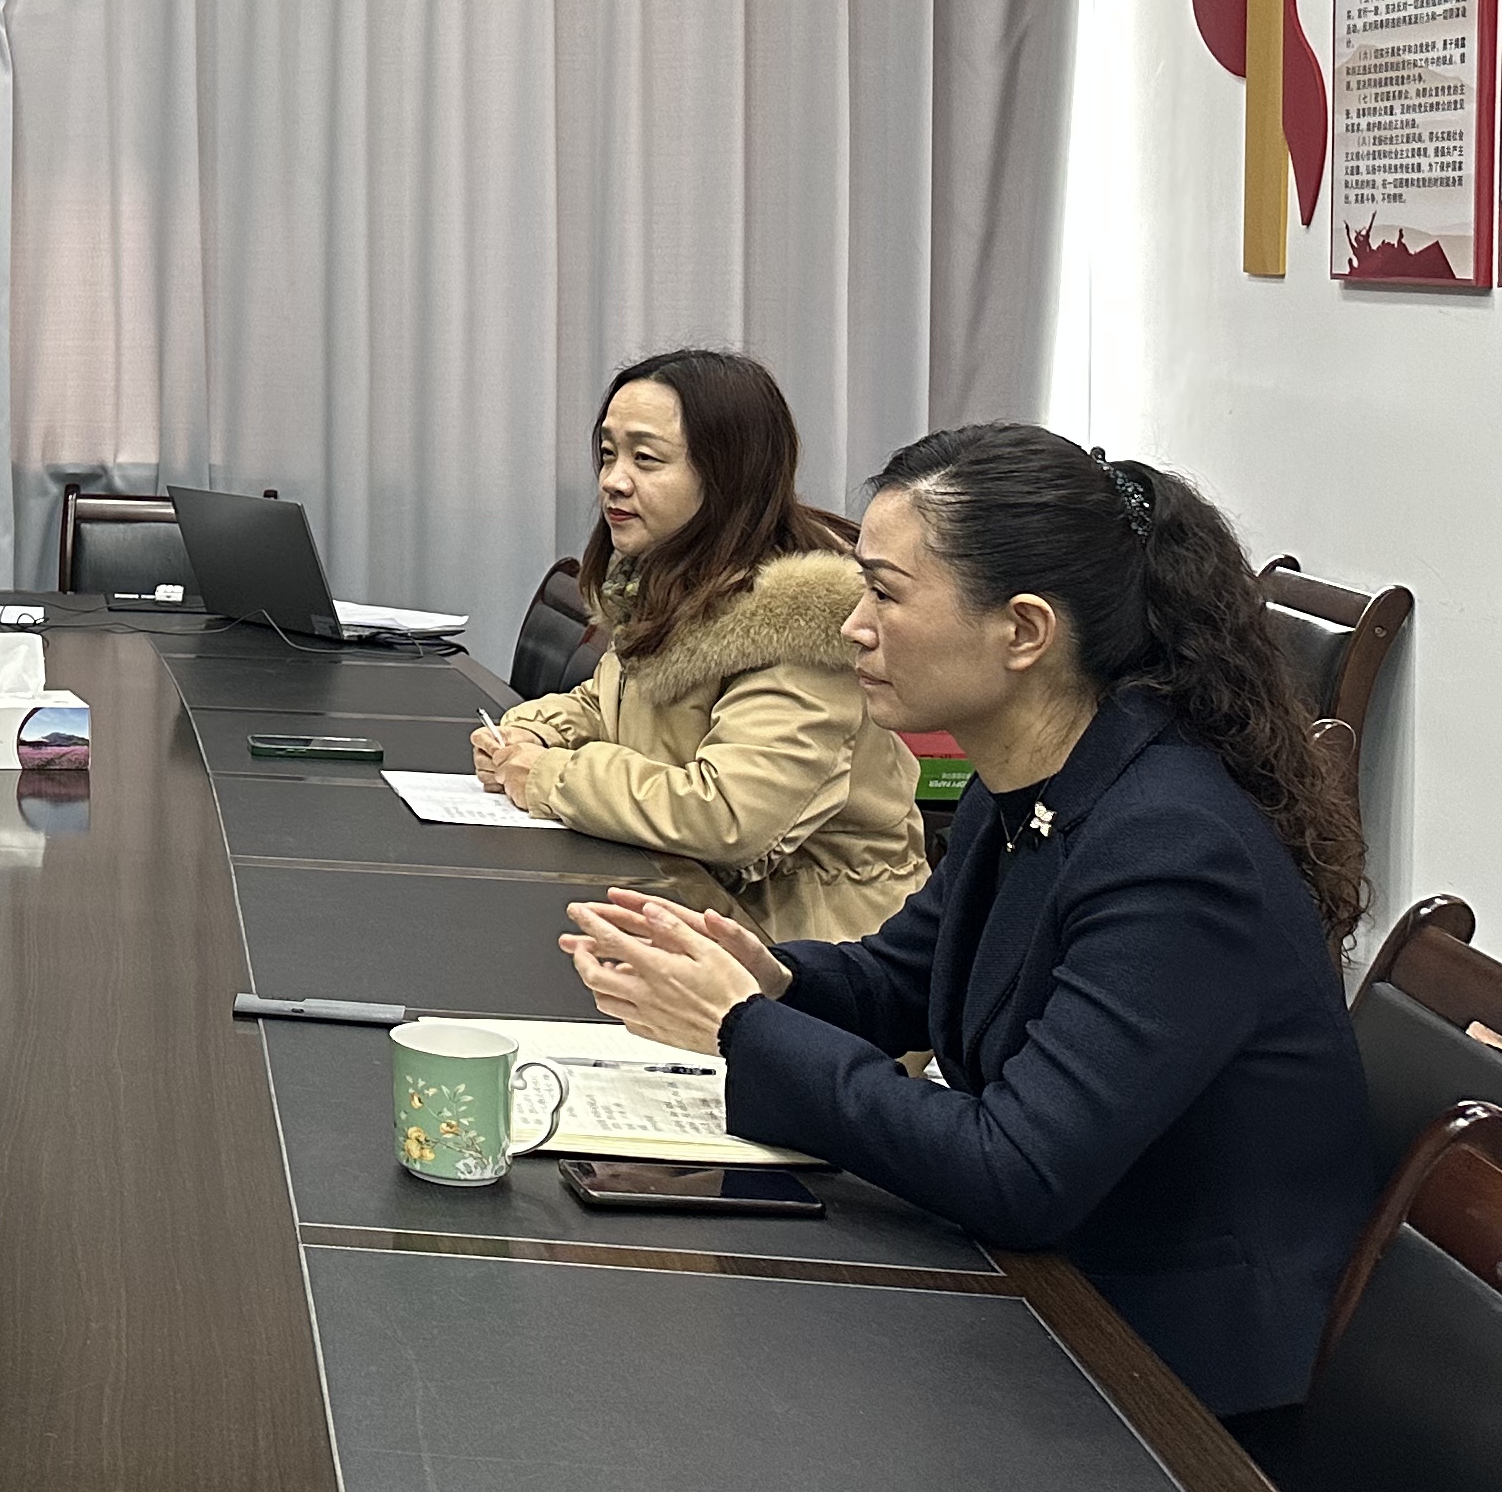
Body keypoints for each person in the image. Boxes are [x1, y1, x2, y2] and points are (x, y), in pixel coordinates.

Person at [562, 425, 1371, 1428]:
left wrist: (742, 1026)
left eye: (885, 595)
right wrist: (770, 978)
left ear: (1023, 631)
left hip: (1168, 1378)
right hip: (1050, 1289)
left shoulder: (1174, 848)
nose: (853, 627)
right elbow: (906, 977)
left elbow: (1016, 1169)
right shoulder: (1032, 776)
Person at [473, 348, 925, 942]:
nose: (613, 480)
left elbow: (729, 814)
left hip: (812, 944)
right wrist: (531, 734)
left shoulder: (799, 627)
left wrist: (551, 776)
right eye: (608, 454)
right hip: (690, 904)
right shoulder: (672, 582)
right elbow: (607, 703)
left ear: (726, 474)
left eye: (646, 459)